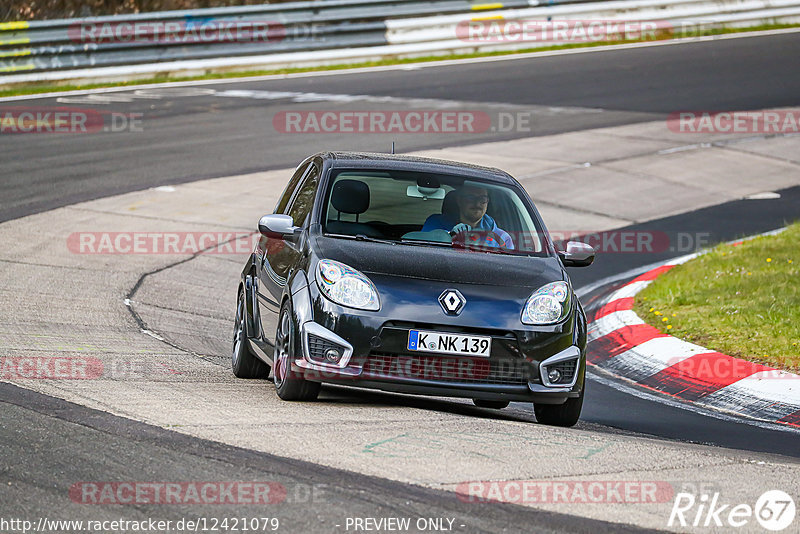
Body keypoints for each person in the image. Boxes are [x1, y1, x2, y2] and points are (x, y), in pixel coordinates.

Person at [421, 184, 514, 249]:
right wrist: (449, 236)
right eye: (470, 198)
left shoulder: (503, 238)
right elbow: (422, 252)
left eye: (482, 199)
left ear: (487, 202)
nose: (477, 203)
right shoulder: (435, 223)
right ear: (459, 201)